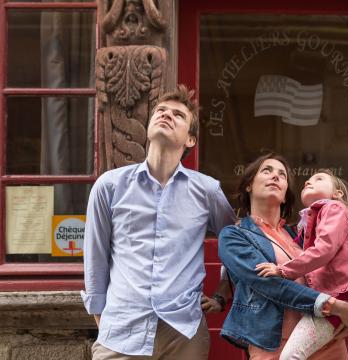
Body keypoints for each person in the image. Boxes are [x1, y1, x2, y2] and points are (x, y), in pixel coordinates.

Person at [81, 85, 236, 359]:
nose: (166, 115)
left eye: (178, 115)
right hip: (120, 333)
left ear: (190, 140)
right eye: (161, 111)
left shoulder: (207, 191)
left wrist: (222, 293)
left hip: (183, 335)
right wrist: (101, 320)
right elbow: (95, 258)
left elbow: (236, 248)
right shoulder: (110, 186)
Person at [218, 153, 348, 359]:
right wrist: (336, 306)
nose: (275, 176)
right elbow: (270, 284)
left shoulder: (301, 236)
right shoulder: (234, 236)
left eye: (282, 175)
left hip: (326, 343)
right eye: (267, 171)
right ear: (249, 185)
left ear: (285, 195)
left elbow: (341, 268)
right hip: (274, 347)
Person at [255, 170, 348, 359]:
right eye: (307, 181)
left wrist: (283, 270)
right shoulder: (310, 221)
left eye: (319, 179)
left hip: (338, 295)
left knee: (291, 356)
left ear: (338, 194)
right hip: (331, 298)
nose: (308, 182)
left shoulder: (334, 208)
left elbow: (323, 250)